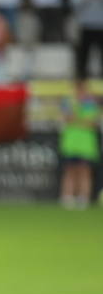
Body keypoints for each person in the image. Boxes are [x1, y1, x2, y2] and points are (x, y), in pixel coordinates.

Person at [59, 80, 100, 208]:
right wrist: (82, 121)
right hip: (70, 143)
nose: (80, 92)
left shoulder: (91, 103)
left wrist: (76, 120)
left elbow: (93, 122)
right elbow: (67, 118)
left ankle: (83, 198)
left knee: (85, 171)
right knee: (70, 170)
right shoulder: (68, 102)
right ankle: (67, 197)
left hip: (86, 144)